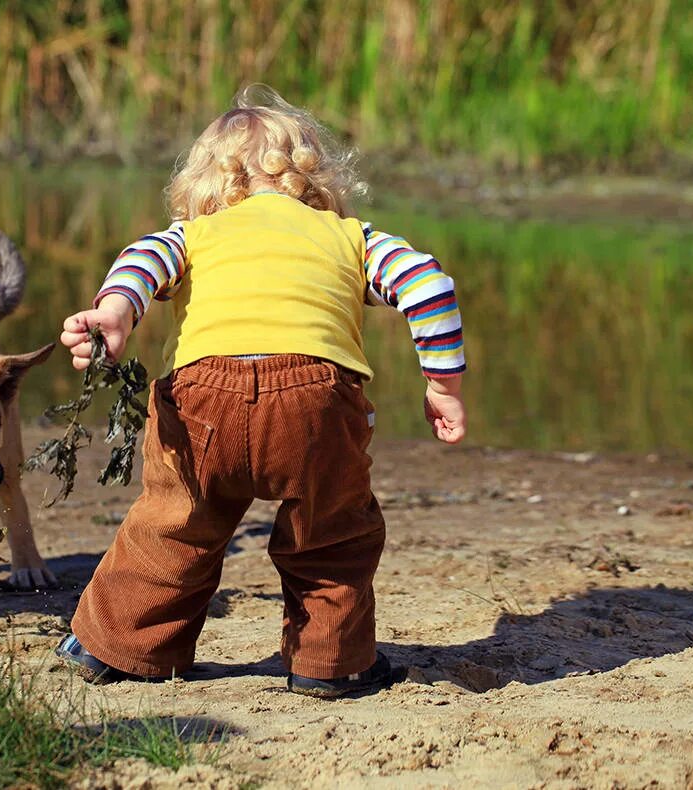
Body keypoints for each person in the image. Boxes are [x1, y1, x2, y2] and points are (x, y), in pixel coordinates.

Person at [54, 85, 467, 698]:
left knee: (175, 523)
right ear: (313, 176)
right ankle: (331, 662)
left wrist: (115, 313)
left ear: (206, 185)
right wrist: (443, 385)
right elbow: (428, 287)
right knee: (331, 533)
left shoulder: (195, 234)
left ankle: (119, 648)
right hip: (317, 401)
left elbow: (144, 260)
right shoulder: (350, 236)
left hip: (203, 398)